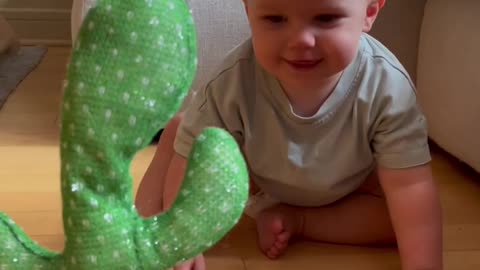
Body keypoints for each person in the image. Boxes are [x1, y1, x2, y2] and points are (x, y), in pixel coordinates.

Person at [135, 0, 443, 269]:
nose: (300, 40)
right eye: (275, 19)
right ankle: (171, 159)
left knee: (407, 221)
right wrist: (184, 241)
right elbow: (192, 161)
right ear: (248, 9)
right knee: (189, 146)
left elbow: (410, 185)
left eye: (325, 18)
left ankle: (298, 220)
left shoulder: (388, 87)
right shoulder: (232, 81)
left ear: (369, 12)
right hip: (256, 179)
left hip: (346, 188)